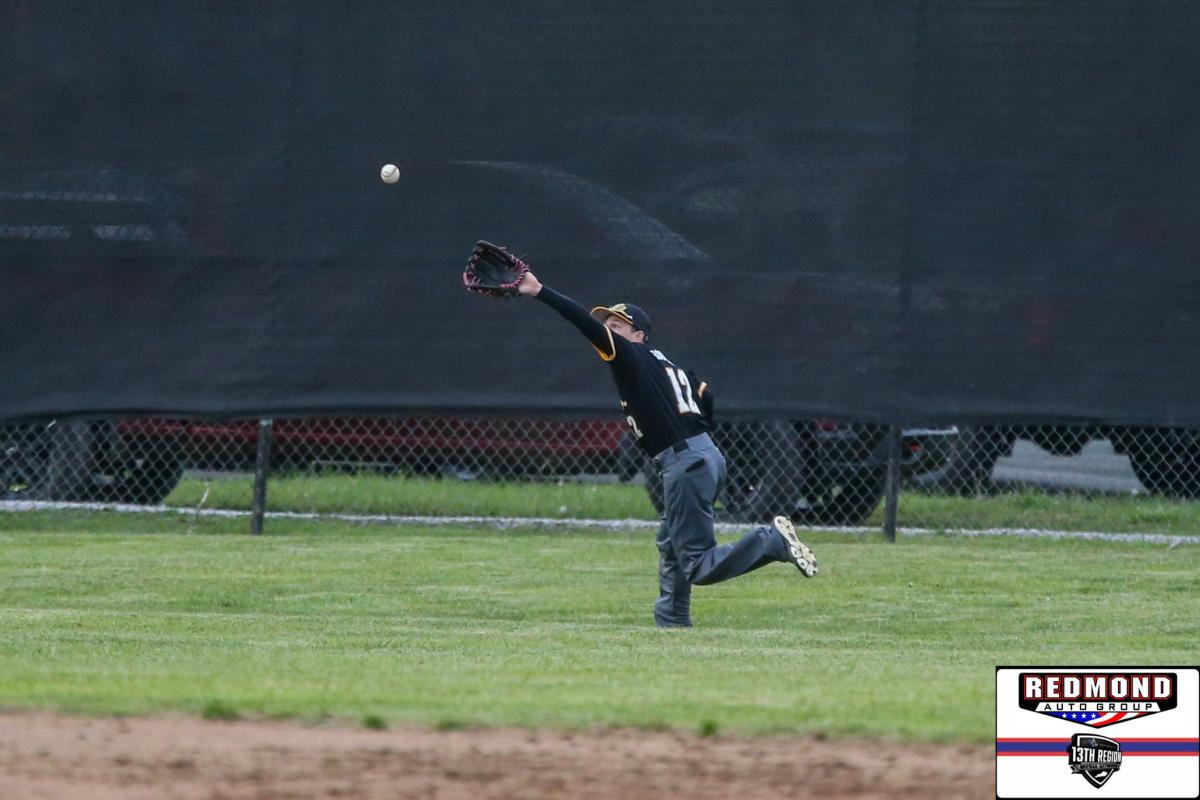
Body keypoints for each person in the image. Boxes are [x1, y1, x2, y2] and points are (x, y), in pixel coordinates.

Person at [516, 269, 818, 628]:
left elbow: (583, 322)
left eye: (618, 325)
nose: (609, 330)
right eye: (608, 324)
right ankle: (672, 620)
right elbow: (705, 393)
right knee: (671, 543)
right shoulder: (667, 365)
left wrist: (539, 291)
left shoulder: (631, 356)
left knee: (698, 564)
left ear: (638, 336)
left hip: (686, 462)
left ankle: (770, 541)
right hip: (705, 456)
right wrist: (697, 438)